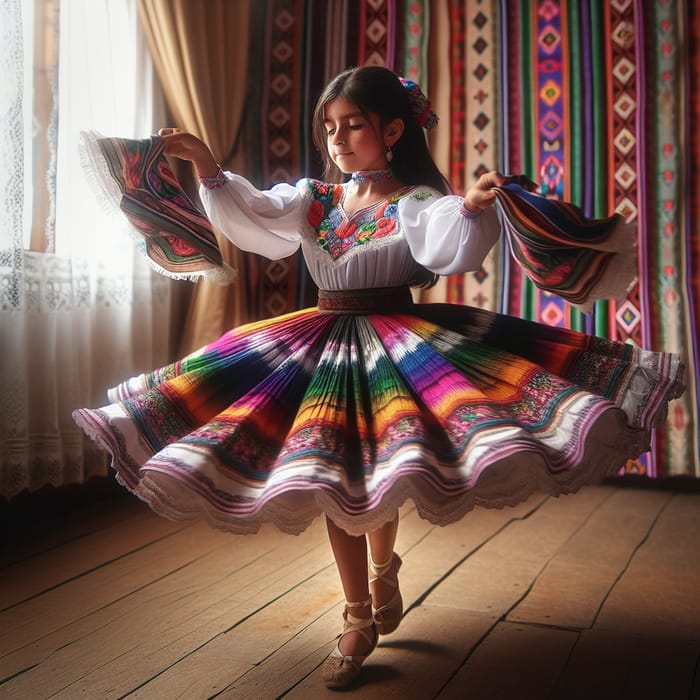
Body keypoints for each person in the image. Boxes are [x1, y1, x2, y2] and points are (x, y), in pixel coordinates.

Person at [73, 66, 684, 689]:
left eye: (353, 125)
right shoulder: (315, 199)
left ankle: (383, 566)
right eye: (330, 128)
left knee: (382, 463)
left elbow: (448, 240)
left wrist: (471, 208)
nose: (338, 138)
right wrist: (205, 165)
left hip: (398, 341)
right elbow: (254, 214)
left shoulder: (413, 202)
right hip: (323, 340)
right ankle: (357, 613)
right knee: (335, 470)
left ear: (391, 130)